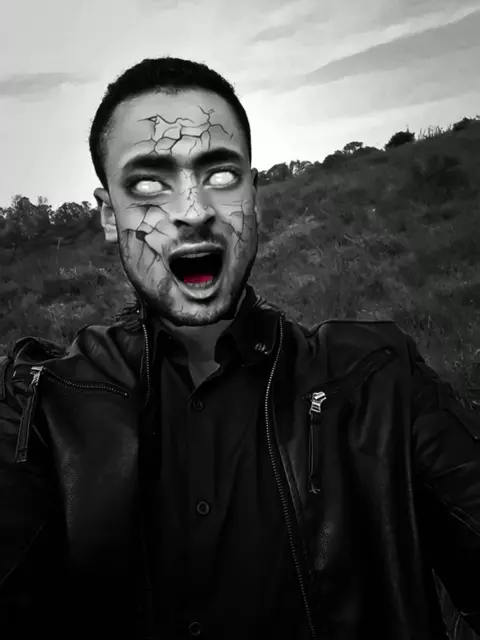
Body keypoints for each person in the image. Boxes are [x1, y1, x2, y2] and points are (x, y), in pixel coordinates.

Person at [0, 56, 479, 640]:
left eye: (221, 175)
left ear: (255, 195)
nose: (194, 212)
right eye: (148, 183)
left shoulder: (379, 378)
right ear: (108, 214)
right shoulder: (40, 403)